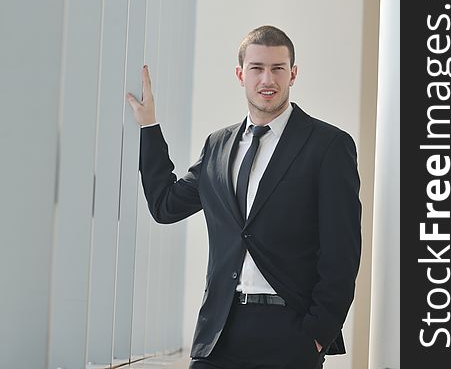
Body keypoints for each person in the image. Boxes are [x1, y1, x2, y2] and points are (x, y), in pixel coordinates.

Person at [127, 25, 361, 369]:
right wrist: (149, 127)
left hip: (291, 332)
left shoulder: (328, 146)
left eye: (278, 68)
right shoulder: (218, 146)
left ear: (293, 74)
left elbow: (342, 252)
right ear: (240, 74)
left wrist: (317, 334)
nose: (268, 79)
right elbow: (166, 205)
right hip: (221, 330)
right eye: (257, 68)